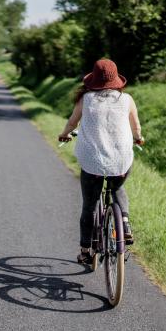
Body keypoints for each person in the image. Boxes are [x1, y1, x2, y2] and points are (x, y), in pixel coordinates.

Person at [58, 59, 144, 265]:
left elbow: (72, 122)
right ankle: (124, 222)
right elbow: (136, 127)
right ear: (116, 79)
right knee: (117, 188)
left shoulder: (86, 99)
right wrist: (138, 138)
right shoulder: (127, 99)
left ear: (93, 79)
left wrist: (64, 134)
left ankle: (86, 250)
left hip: (92, 162)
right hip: (121, 159)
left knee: (90, 204)